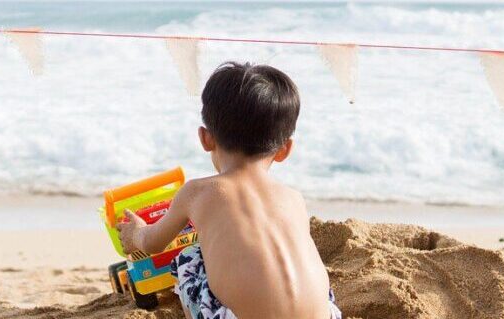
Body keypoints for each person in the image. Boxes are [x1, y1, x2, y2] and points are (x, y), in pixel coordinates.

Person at [118, 62, 341, 319]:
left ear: (205, 138)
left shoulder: (196, 192)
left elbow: (153, 243)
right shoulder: (294, 198)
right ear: (285, 149)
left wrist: (135, 234)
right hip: (323, 315)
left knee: (190, 257)